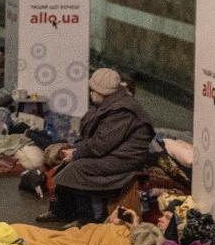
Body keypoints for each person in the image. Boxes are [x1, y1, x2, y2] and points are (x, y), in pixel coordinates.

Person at [38, 68, 154, 225]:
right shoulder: (109, 104)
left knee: (78, 168)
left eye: (92, 90)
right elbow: (97, 139)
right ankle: (61, 211)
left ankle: (87, 218)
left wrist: (77, 152)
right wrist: (76, 150)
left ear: (101, 91)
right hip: (113, 152)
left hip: (124, 159)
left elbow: (102, 144)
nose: (90, 93)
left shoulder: (122, 111)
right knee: (68, 165)